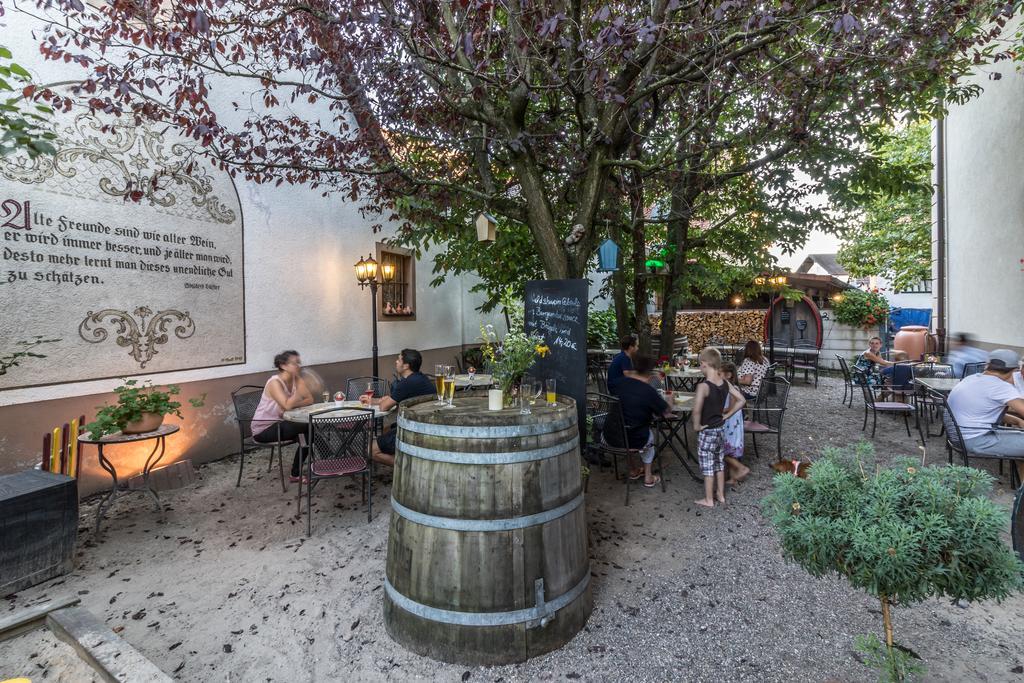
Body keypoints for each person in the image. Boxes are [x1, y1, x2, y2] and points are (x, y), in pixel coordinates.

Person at [947, 349, 1024, 480]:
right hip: (975, 439)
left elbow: (982, 412)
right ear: (1013, 370)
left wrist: (1017, 421)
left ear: (988, 365)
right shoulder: (1000, 386)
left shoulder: (971, 378)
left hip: (959, 435)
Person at [601, 353, 671, 489]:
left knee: (627, 426)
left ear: (634, 368)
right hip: (633, 439)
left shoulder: (620, 383)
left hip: (609, 435)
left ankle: (633, 470)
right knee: (648, 435)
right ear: (650, 374)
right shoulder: (648, 391)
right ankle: (648, 477)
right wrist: (670, 399)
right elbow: (665, 412)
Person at [691, 348, 747, 508]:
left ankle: (709, 499)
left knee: (708, 465)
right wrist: (727, 416)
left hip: (707, 430)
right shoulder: (725, 383)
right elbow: (742, 400)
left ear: (704, 364)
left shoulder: (704, 386)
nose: (700, 368)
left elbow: (696, 410)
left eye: (700, 365)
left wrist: (696, 426)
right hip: (721, 429)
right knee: (719, 463)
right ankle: (720, 495)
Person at [361, 349, 435, 466]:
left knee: (370, 450)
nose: (396, 362)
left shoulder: (407, 383)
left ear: (406, 365)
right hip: (424, 426)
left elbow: (384, 407)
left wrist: (381, 402)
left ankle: (408, 468)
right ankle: (400, 454)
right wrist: (372, 401)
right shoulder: (418, 378)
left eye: (399, 359)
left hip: (415, 431)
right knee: (386, 430)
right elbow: (391, 398)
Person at [251, 350, 315, 482]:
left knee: (310, 430)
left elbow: (310, 399)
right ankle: (325, 460)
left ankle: (297, 473)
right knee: (309, 427)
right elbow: (286, 406)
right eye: (294, 363)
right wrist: (297, 395)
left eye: (299, 362)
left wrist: (293, 403)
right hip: (264, 429)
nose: (298, 366)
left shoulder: (297, 379)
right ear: (283, 365)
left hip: (282, 424)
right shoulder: (274, 383)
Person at [720, 362, 750, 484]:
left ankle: (741, 468)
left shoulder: (733, 389)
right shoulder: (727, 387)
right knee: (730, 451)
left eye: (719, 373)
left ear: (728, 375)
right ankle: (733, 478)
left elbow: (730, 408)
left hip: (731, 422)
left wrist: (715, 409)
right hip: (731, 421)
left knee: (723, 450)